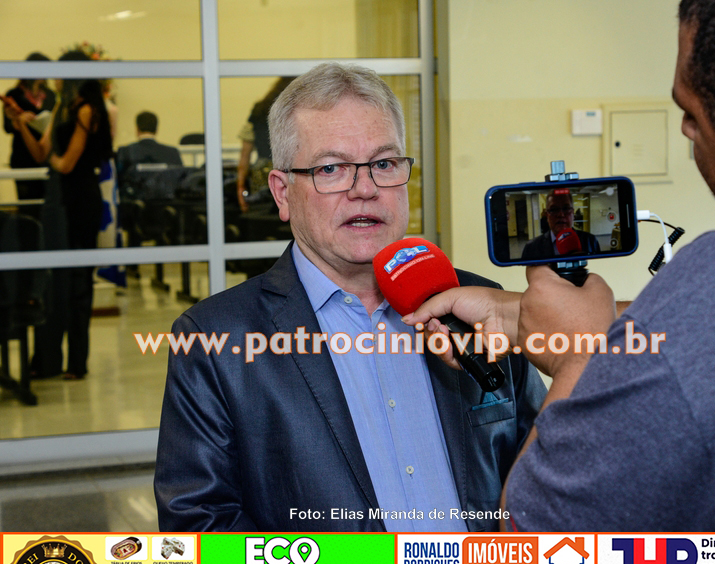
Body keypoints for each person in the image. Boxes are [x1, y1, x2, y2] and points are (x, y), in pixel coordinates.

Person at [406, 0, 715, 532]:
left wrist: (578, 355)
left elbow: (534, 549)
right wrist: (519, 314)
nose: (686, 130)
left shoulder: (709, 283)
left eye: (692, 112)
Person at [154, 63, 546, 532]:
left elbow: (544, 465)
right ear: (282, 193)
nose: (365, 189)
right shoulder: (213, 339)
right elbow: (199, 524)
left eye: (384, 164)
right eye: (331, 168)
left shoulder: (480, 303)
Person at [5, 50, 113, 379]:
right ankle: (49, 359)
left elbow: (66, 164)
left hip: (79, 200)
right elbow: (41, 152)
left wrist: (51, 156)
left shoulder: (86, 110)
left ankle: (77, 362)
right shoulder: (62, 109)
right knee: (54, 280)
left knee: (78, 283)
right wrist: (20, 124)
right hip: (59, 199)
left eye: (60, 72)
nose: (54, 79)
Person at [2, 52, 56, 206]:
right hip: (22, 154)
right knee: (27, 203)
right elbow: (7, 127)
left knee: (46, 202)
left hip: (45, 152)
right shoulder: (14, 94)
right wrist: (20, 121)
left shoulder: (50, 95)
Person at [236, 77, 294, 211]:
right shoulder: (294, 110)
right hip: (286, 173)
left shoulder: (258, 110)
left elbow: (244, 156)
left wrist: (240, 186)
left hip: (261, 175)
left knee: (261, 215)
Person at [520, 190, 599, 260]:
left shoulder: (591, 241)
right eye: (554, 210)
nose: (561, 214)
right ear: (547, 216)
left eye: (566, 208)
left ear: (573, 213)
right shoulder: (531, 248)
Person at [116, 111, 182, 185]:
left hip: (134, 191)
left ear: (137, 129)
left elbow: (118, 179)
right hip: (164, 191)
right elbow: (180, 180)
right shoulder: (172, 152)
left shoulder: (124, 152)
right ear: (156, 130)